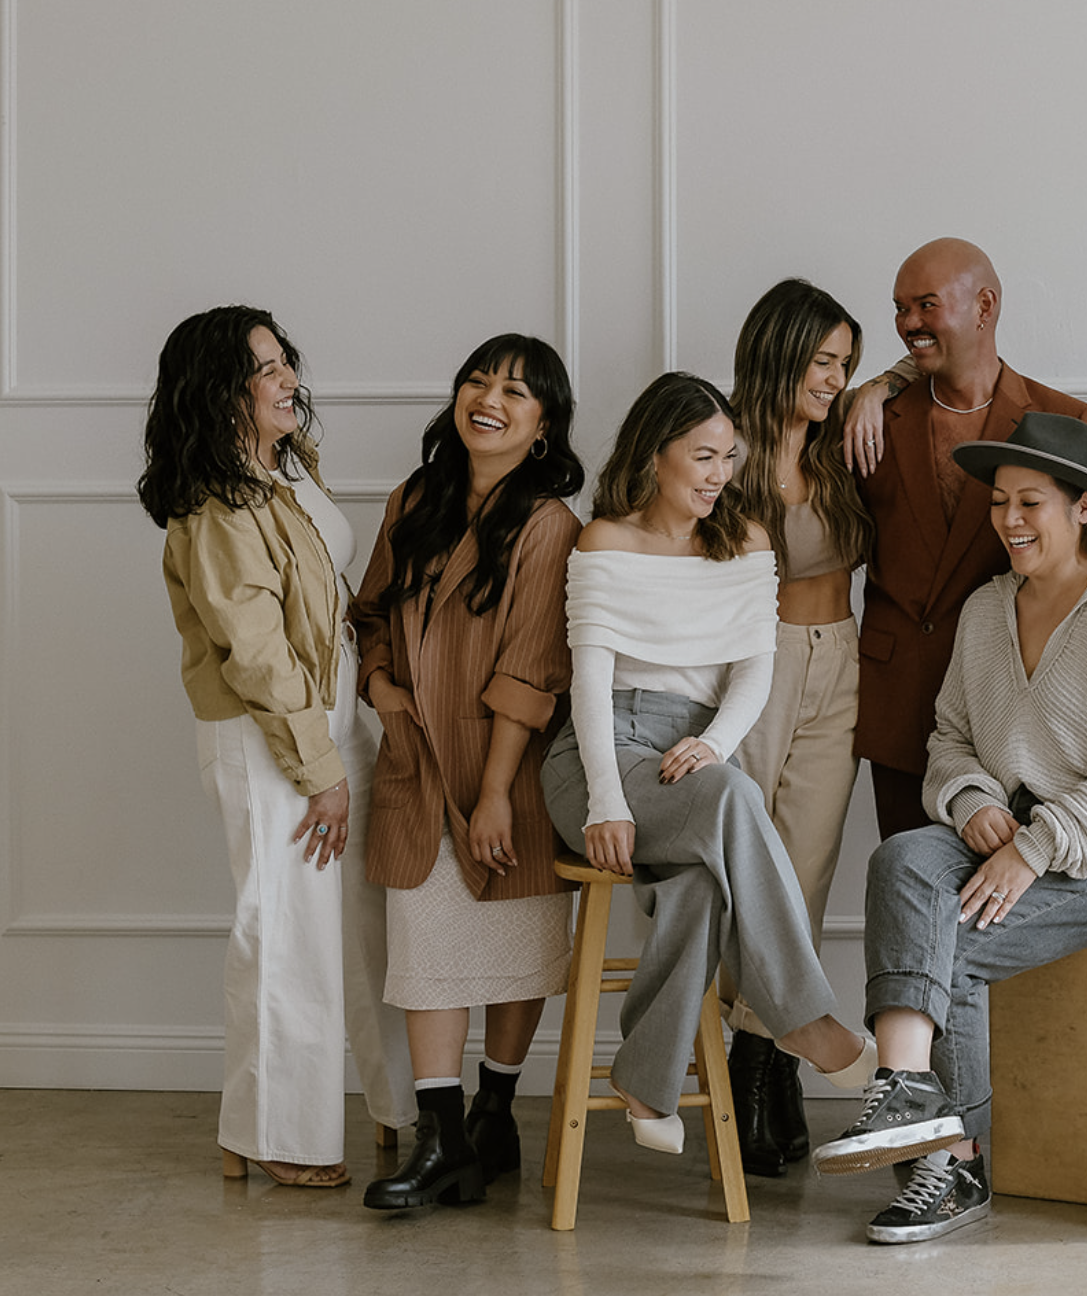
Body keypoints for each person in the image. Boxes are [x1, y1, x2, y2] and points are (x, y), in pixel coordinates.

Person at [812, 412, 1087, 1245]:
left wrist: (1037, 845)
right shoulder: (988, 609)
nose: (1010, 521)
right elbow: (948, 736)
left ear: (1084, 507)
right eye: (999, 504)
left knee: (942, 940)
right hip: (1002, 835)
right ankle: (909, 1088)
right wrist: (973, 801)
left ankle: (953, 1168)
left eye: (1031, 503)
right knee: (905, 858)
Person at [540, 371, 876, 1155]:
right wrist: (605, 802)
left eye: (728, 456)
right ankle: (804, 1017)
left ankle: (644, 1077)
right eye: (703, 456)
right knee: (733, 799)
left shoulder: (747, 540)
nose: (721, 474)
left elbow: (754, 668)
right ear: (655, 456)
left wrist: (716, 743)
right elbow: (589, 685)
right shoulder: (605, 540)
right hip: (603, 751)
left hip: (693, 751)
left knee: (699, 882)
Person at [137, 305, 412, 1188]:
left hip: (327, 721)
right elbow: (254, 653)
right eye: (265, 367)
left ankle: (397, 1108)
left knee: (361, 925)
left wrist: (345, 738)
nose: (288, 376)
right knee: (285, 933)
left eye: (285, 359)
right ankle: (274, 1135)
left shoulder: (285, 471)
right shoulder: (216, 505)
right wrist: (319, 768)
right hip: (269, 740)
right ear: (220, 391)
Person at [350, 335, 585, 1210]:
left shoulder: (551, 523)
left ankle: (495, 1114)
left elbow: (532, 669)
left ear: (544, 426)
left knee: (516, 948)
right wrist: (380, 686)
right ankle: (441, 1139)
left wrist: (493, 795)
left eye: (516, 391)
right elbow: (369, 610)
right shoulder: (415, 498)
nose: (489, 397)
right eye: (478, 380)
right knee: (428, 947)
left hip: (513, 773)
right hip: (415, 761)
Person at [840, 238, 1087, 838]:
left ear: (984, 306)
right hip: (899, 703)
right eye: (900, 308)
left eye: (926, 305)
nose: (909, 323)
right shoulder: (873, 418)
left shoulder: (1067, 422)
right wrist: (874, 388)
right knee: (909, 890)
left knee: (1009, 910)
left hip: (1023, 713)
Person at [719, 278, 873, 1176]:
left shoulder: (847, 441)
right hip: (750, 663)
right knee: (750, 873)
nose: (835, 378)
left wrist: (875, 387)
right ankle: (758, 1073)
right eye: (822, 361)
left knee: (805, 870)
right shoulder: (721, 444)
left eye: (845, 364)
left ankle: (763, 1063)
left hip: (838, 658)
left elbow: (895, 385)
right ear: (777, 352)